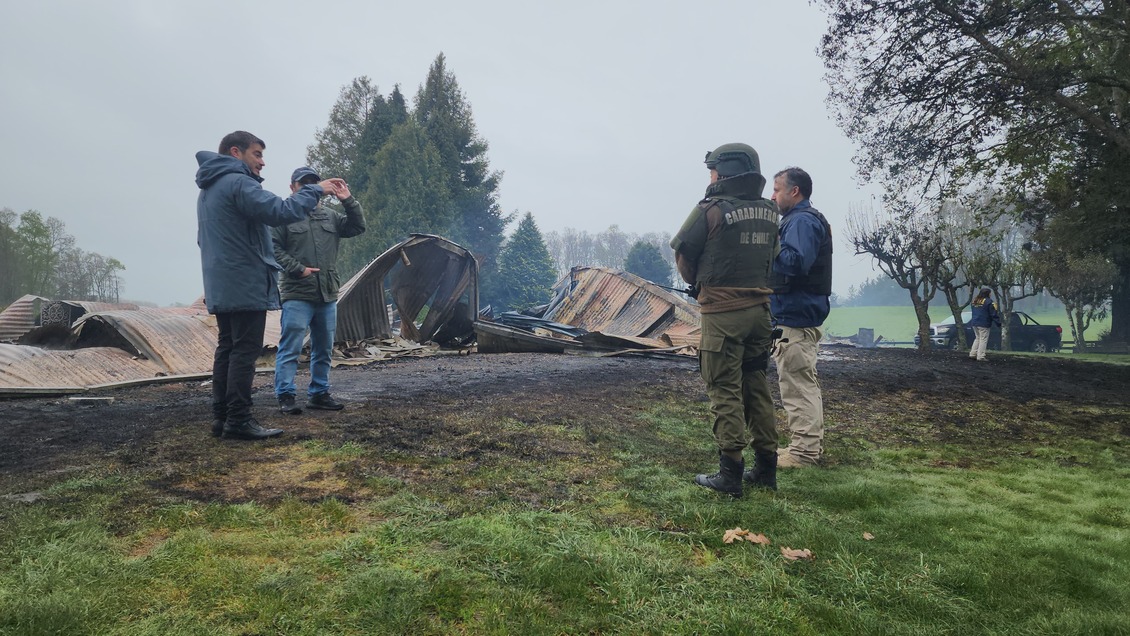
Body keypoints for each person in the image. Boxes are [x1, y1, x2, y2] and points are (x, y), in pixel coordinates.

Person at [196, 131, 344, 441]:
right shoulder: (238, 183)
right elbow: (280, 212)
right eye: (257, 154)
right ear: (236, 153)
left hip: (222, 280)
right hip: (244, 280)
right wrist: (316, 189)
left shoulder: (209, 188)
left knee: (227, 347)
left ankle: (221, 418)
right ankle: (238, 418)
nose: (263, 162)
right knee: (243, 352)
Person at [671, 143, 781, 497]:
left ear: (726, 171)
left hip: (722, 314)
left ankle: (730, 474)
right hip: (760, 313)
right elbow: (772, 257)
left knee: (724, 389)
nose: (711, 176)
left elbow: (684, 251)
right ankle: (766, 468)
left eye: (713, 169)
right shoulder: (770, 211)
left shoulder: (711, 209)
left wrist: (696, 283)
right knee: (757, 387)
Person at [272, 166, 366, 414]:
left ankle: (319, 393)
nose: (310, 187)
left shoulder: (330, 216)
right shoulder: (283, 216)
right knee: (290, 347)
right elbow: (272, 249)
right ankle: (285, 395)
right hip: (296, 293)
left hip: (327, 294)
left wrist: (348, 201)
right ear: (293, 187)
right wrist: (297, 268)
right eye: (304, 184)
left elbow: (357, 227)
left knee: (323, 347)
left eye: (315, 183)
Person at [769, 167, 833, 468]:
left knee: (798, 386)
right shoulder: (800, 221)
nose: (773, 196)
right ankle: (803, 446)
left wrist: (769, 242)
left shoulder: (801, 222)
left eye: (777, 189)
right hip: (798, 313)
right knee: (800, 382)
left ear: (795, 191)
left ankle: (804, 454)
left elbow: (796, 263)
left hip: (796, 316)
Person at [968, 287, 999, 361]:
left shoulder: (975, 301)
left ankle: (973, 354)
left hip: (974, 322)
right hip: (984, 323)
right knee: (983, 339)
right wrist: (998, 322)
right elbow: (993, 313)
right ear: (988, 293)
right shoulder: (989, 302)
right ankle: (981, 356)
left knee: (977, 338)